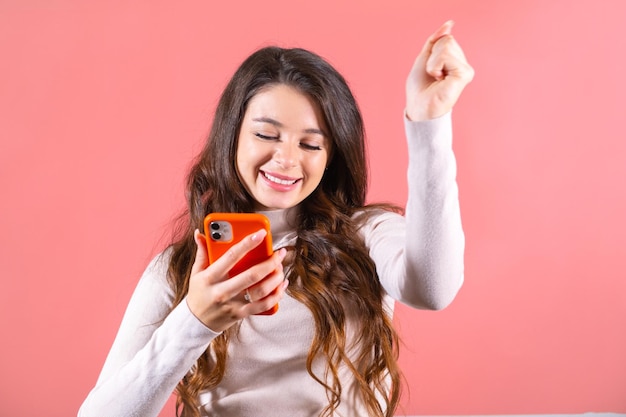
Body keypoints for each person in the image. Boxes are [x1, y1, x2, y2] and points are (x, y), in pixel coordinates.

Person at [78, 20, 473, 417]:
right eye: (266, 136)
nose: (286, 159)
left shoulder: (366, 235)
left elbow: (433, 290)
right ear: (232, 136)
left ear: (331, 155)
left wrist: (429, 124)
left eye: (310, 143)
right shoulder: (180, 271)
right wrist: (196, 320)